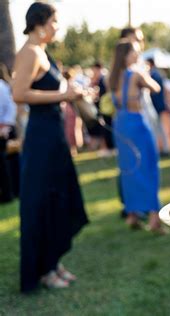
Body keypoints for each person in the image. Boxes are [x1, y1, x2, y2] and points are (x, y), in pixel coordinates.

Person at [12, 2, 89, 292]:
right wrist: (63, 95)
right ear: (41, 22)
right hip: (41, 138)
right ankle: (42, 270)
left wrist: (70, 94)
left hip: (53, 136)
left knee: (57, 198)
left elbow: (46, 91)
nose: (58, 27)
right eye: (55, 21)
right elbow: (19, 94)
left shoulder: (42, 52)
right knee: (41, 201)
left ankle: (53, 262)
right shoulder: (30, 52)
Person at [109, 40, 165, 233]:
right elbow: (157, 88)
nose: (138, 54)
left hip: (121, 125)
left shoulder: (113, 76)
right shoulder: (136, 74)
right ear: (126, 55)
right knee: (148, 167)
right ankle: (154, 219)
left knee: (129, 169)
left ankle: (132, 215)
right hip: (137, 123)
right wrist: (145, 73)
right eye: (135, 51)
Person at [146, 58, 170, 156]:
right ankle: (163, 148)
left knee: (159, 128)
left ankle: (164, 149)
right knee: (159, 128)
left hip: (157, 105)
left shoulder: (154, 75)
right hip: (158, 105)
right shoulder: (157, 74)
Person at [0, 63, 17, 203]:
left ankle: (8, 193)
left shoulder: (1, 86)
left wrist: (5, 126)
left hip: (3, 129)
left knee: (5, 163)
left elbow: (10, 107)